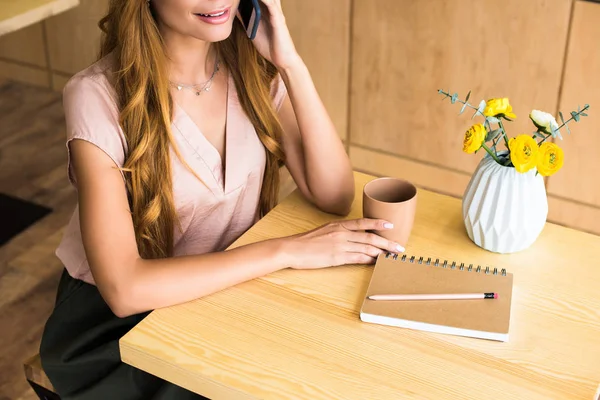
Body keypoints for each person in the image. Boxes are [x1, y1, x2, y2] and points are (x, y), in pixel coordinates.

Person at [39, 0, 405, 398]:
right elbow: (125, 290)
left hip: (225, 295)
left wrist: (290, 63)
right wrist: (286, 252)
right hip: (116, 329)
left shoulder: (252, 69)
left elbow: (333, 194)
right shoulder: (97, 94)